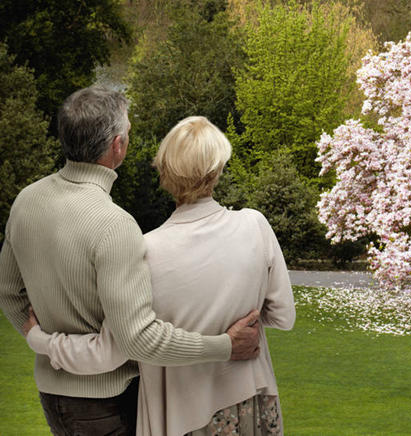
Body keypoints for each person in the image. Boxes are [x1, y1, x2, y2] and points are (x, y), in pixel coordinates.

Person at [0, 87, 261, 436]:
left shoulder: (26, 201)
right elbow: (139, 338)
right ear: (117, 145)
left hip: (52, 396)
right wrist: (225, 346)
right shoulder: (115, 225)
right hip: (107, 405)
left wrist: (40, 340)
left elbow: (8, 293)